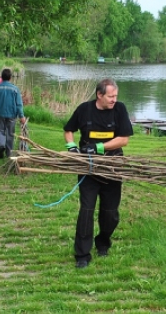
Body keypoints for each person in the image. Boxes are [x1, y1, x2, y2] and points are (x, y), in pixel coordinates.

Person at [64, 78, 134, 268]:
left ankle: (103, 241)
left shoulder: (119, 109)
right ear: (99, 95)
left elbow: (123, 140)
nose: (114, 99)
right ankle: (82, 255)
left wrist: (98, 147)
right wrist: (71, 147)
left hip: (112, 167)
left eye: (115, 96)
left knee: (110, 214)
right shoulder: (84, 110)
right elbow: (68, 130)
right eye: (110, 96)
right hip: (89, 168)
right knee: (86, 211)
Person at [0, 68, 26, 159]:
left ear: (1, 77)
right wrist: (21, 116)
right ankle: (9, 153)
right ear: (10, 78)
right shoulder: (15, 89)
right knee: (10, 133)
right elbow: (19, 104)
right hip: (12, 114)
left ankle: (1, 145)